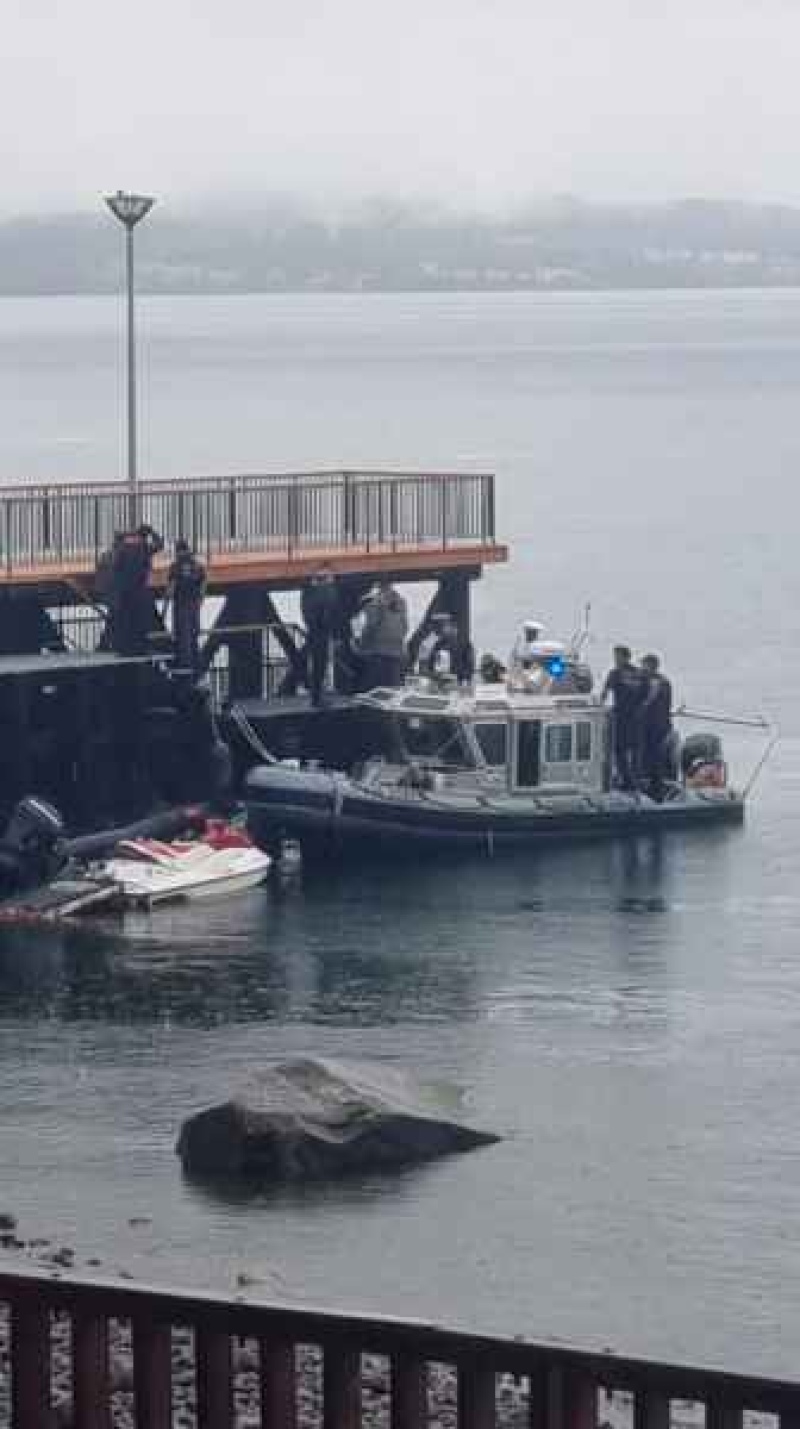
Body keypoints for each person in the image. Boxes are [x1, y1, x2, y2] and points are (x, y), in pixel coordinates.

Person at [601, 645, 647, 791]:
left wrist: (599, 706)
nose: (615, 659)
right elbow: (647, 696)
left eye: (617, 656)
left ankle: (627, 780)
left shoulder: (615, 673)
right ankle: (635, 780)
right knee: (635, 750)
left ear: (624, 657)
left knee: (620, 750)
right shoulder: (640, 674)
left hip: (622, 717)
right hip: (635, 718)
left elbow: (604, 693)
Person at [357, 579, 408, 688]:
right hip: (397, 650)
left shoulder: (373, 602)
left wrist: (362, 645)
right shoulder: (401, 601)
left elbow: (371, 625)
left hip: (378, 650)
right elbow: (405, 627)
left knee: (373, 688)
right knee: (393, 686)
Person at [301, 564, 339, 707]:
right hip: (322, 632)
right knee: (320, 666)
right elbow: (329, 613)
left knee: (316, 665)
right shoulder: (328, 592)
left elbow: (307, 614)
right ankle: (317, 698)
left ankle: (315, 696)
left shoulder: (307, 593)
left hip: (312, 631)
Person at [167, 538, 206, 674]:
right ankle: (198, 665)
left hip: (181, 604)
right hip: (194, 604)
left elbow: (171, 589)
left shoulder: (175, 566)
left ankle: (185, 666)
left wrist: (167, 602)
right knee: (194, 634)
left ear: (178, 551)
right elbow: (202, 586)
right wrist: (200, 602)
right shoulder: (198, 565)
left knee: (182, 635)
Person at [639, 653, 673, 799]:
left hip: (657, 726)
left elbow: (649, 701)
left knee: (654, 757)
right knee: (645, 755)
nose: (642, 668)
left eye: (644, 665)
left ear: (652, 666)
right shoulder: (650, 680)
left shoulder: (660, 682)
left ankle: (656, 789)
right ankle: (646, 783)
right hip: (649, 726)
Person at [423, 615, 475, 685]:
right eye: (445, 626)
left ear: (455, 628)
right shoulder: (438, 644)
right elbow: (430, 666)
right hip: (439, 683)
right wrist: (434, 675)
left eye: (449, 626)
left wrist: (457, 676)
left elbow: (469, 669)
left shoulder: (465, 644)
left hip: (457, 684)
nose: (444, 628)